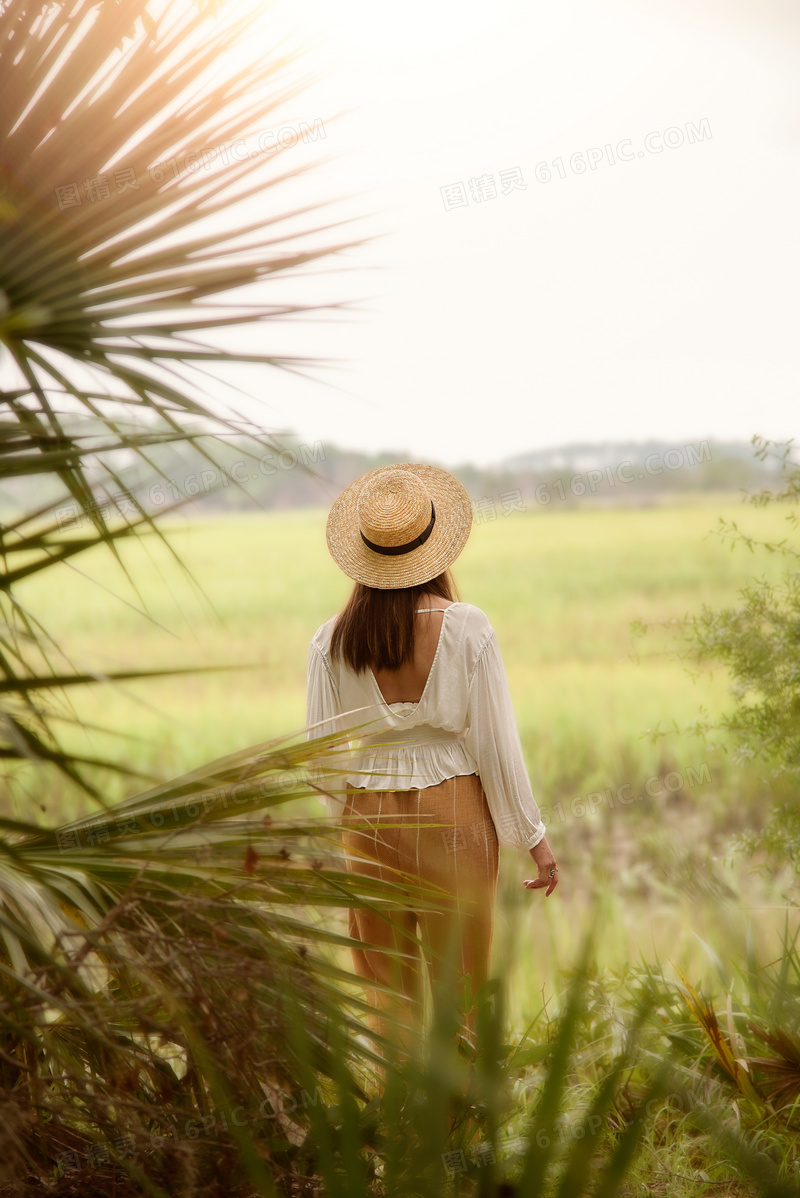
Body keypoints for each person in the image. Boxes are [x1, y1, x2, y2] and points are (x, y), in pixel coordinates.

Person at [306, 463, 558, 1058]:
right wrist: (534, 839)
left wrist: (351, 812)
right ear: (435, 547)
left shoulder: (331, 638)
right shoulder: (468, 627)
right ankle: (464, 1128)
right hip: (455, 811)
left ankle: (400, 1130)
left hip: (365, 820)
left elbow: (318, 761)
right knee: (463, 985)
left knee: (386, 994)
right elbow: (498, 746)